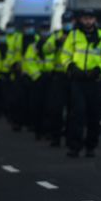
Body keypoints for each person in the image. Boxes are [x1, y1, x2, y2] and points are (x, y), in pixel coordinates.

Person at [60, 9, 101, 158]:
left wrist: (99, 69)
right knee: (76, 114)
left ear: (95, 20)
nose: (87, 21)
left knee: (94, 115)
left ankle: (91, 146)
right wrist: (71, 67)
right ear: (80, 20)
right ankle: (74, 146)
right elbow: (65, 55)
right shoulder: (73, 36)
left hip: (95, 81)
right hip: (78, 80)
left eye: (90, 18)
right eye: (85, 18)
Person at [42, 12, 75, 146]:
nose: (67, 24)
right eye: (65, 21)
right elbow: (45, 49)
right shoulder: (56, 35)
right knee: (56, 108)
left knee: (73, 110)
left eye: (69, 21)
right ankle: (55, 136)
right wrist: (56, 43)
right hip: (59, 76)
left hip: (73, 76)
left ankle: (69, 136)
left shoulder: (78, 36)